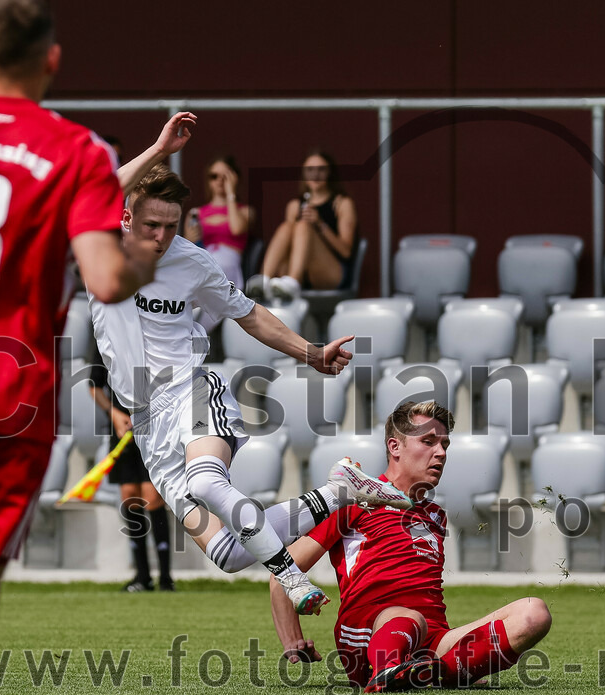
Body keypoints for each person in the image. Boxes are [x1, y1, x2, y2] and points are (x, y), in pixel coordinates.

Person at [0, 0, 161, 695]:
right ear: (52, 62)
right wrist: (147, 257)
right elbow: (108, 279)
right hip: (15, 396)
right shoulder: (78, 151)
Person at [88, 159, 413, 623]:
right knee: (228, 554)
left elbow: (249, 314)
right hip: (146, 422)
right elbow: (91, 190)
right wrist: (160, 147)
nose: (161, 237)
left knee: (206, 481)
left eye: (171, 225)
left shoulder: (192, 261)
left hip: (191, 391)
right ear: (123, 218)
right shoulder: (99, 248)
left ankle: (290, 576)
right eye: (150, 225)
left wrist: (310, 352)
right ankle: (339, 493)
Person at [269, 401, 553, 693]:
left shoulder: (435, 515)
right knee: (410, 618)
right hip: (367, 635)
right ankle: (388, 670)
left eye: (444, 444)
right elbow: (282, 568)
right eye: (428, 442)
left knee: (534, 614)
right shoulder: (354, 499)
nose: (440, 453)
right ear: (395, 447)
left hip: (429, 639)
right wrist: (292, 641)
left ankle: (438, 671)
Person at [88, 346, 174, 592]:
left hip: (155, 429)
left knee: (153, 498)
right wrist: (114, 413)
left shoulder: (153, 337)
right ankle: (142, 576)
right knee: (130, 496)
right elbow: (94, 386)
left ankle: (166, 578)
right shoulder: (106, 340)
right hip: (123, 431)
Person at [247, 149, 359, 300]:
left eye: (321, 169)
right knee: (288, 227)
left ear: (330, 173)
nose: (315, 175)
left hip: (331, 273)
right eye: (310, 170)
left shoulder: (342, 203)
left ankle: (292, 282)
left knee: (303, 226)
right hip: (298, 270)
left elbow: (346, 252)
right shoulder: (294, 205)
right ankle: (264, 280)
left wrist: (320, 224)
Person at [183, 155, 254, 290]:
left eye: (225, 176)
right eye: (214, 176)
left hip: (228, 265)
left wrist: (230, 192)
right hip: (203, 262)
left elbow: (237, 228)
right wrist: (190, 238)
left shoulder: (245, 211)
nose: (219, 181)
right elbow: (186, 247)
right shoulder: (195, 213)